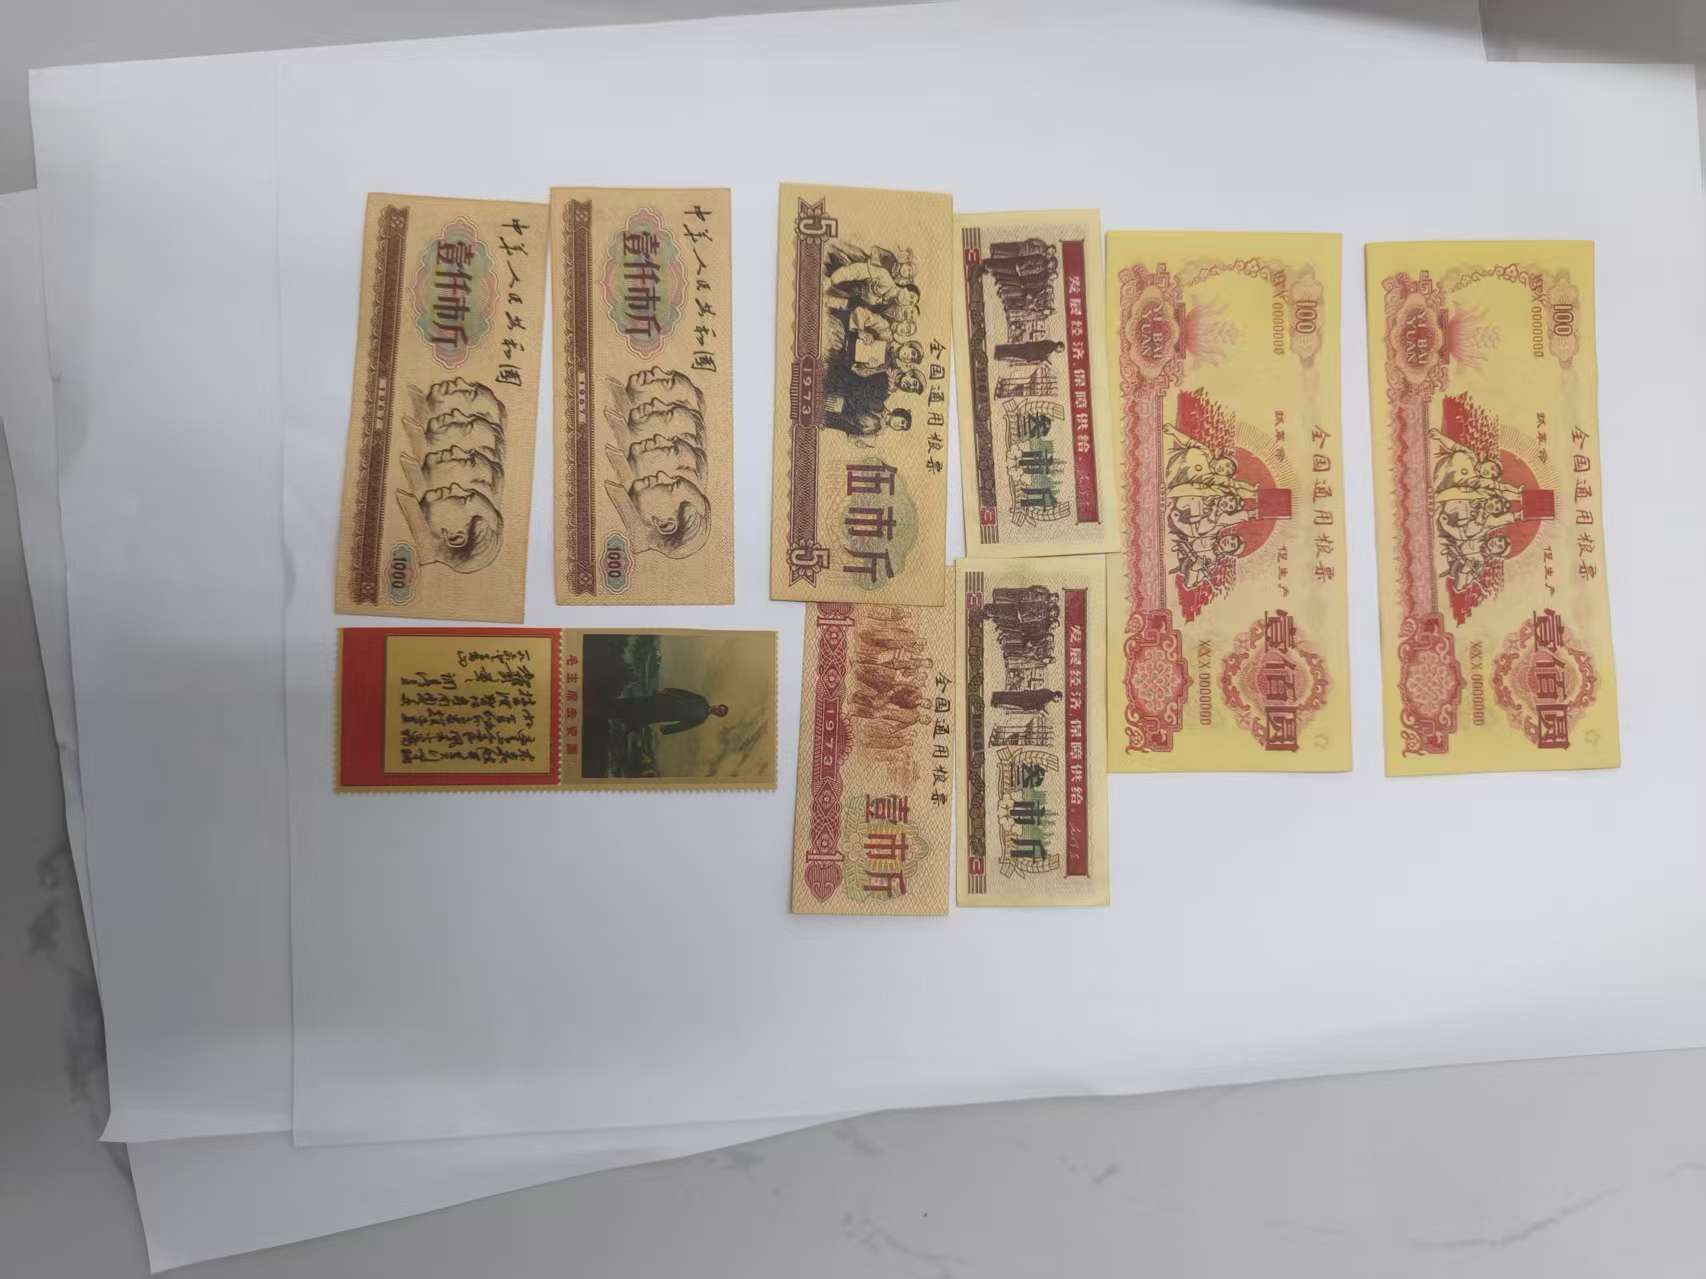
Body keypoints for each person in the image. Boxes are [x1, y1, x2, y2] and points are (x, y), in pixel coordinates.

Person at [395, 482, 503, 573]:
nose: (455, 486)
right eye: (466, 491)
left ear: (455, 538)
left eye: (463, 500)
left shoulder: (402, 533)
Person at [603, 472, 711, 558]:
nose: (661, 474)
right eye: (673, 479)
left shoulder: (614, 524)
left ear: (666, 525)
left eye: (671, 487)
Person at [610, 687, 728, 735]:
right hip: (664, 701)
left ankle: (615, 715)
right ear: (717, 705)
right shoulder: (702, 699)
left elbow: (684, 726)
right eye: (719, 708)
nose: (717, 709)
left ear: (717, 715)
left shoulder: (701, 719)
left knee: (641, 716)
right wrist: (668, 690)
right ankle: (615, 704)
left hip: (665, 714)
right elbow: (684, 693)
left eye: (719, 712)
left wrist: (668, 729)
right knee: (639, 702)